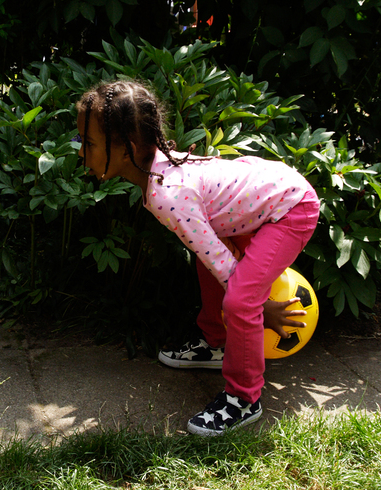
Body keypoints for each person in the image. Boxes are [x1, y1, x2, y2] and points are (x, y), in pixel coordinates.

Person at [75, 79, 320, 437]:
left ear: (127, 148)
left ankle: (244, 398)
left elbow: (225, 266)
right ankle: (217, 344)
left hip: (290, 208)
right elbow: (211, 255)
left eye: (89, 143)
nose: (81, 152)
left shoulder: (168, 196)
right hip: (262, 199)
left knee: (239, 301)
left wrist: (261, 305)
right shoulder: (157, 171)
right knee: (205, 261)